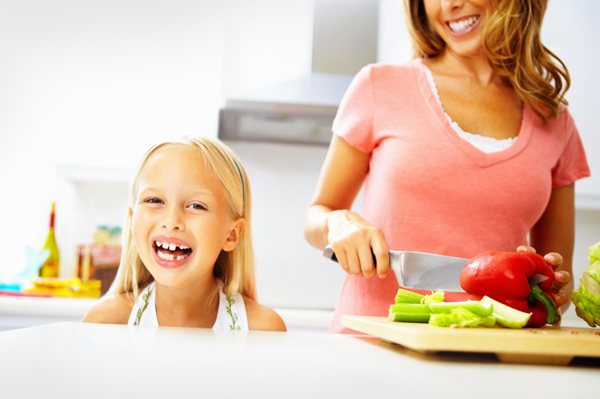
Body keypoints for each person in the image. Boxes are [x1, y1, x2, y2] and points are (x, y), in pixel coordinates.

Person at [304, 0, 590, 333]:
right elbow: (316, 216)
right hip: (374, 347)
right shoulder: (379, 85)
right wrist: (339, 222)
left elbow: (556, 286)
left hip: (490, 356)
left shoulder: (555, 121)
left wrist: (552, 288)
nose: (449, 4)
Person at [84, 136, 286, 331]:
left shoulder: (262, 330)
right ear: (132, 218)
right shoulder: (106, 323)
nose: (171, 221)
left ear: (231, 234)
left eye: (196, 206)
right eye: (154, 200)